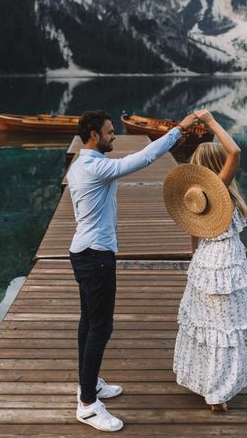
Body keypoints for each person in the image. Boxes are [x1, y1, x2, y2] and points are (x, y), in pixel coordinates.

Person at [67, 109, 198, 432]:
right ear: (94, 135)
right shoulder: (96, 166)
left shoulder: (78, 165)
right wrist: (179, 129)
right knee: (101, 327)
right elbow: (143, 158)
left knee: (89, 322)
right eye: (110, 132)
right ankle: (86, 404)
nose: (114, 137)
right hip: (96, 256)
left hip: (84, 252)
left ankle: (89, 383)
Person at [173, 109, 247, 411]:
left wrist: (194, 255)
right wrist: (211, 123)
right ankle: (219, 392)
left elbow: (193, 228)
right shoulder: (217, 189)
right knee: (226, 325)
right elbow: (234, 150)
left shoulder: (195, 194)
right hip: (224, 263)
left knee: (207, 323)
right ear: (217, 166)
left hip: (205, 261)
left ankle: (206, 380)